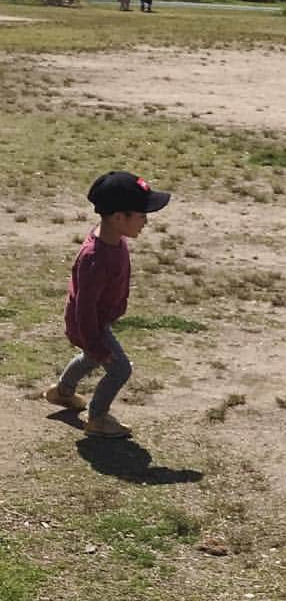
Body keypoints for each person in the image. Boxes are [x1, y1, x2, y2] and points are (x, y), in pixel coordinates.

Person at [44, 172, 171, 438]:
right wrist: (94, 342)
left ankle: (63, 392)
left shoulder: (113, 237)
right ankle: (98, 418)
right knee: (120, 368)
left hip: (95, 320)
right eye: (141, 215)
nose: (146, 221)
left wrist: (94, 347)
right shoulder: (96, 258)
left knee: (90, 359)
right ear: (118, 218)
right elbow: (85, 307)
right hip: (89, 322)